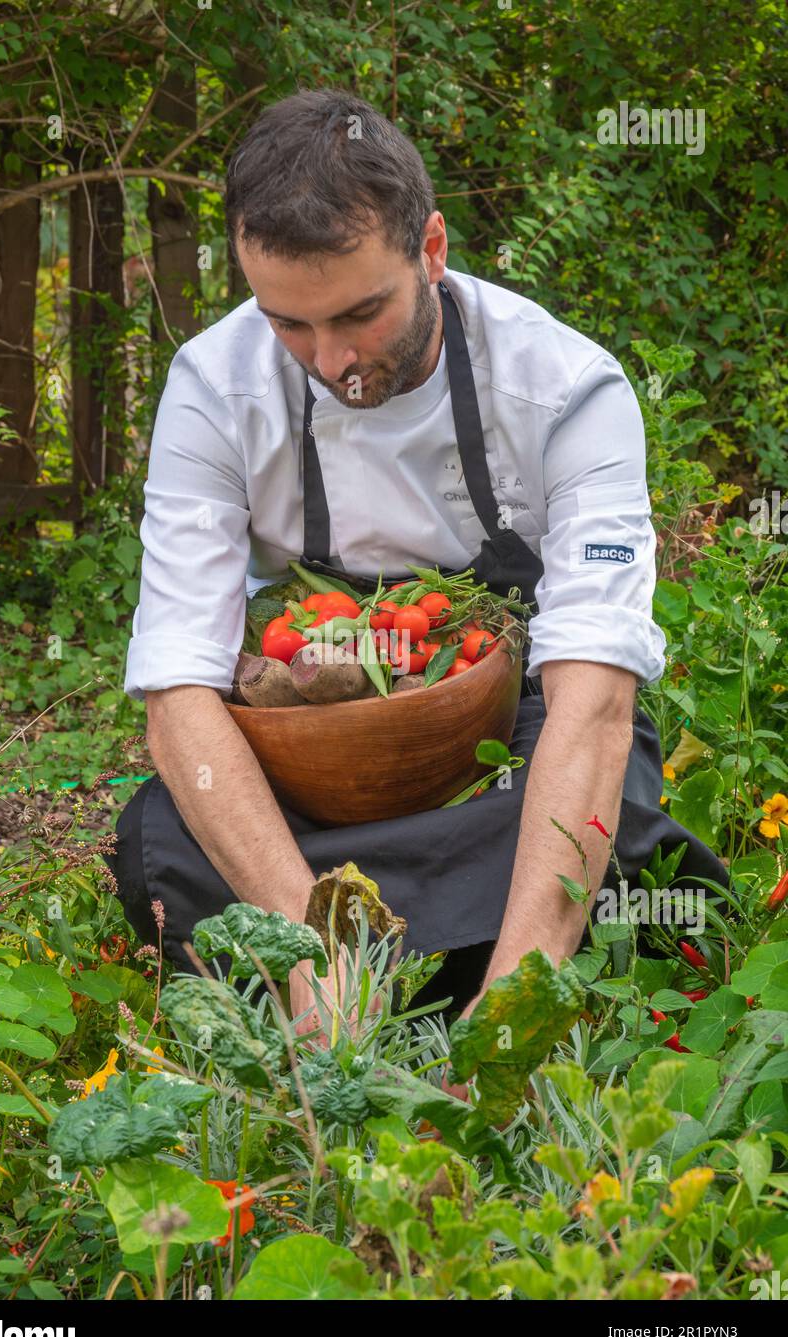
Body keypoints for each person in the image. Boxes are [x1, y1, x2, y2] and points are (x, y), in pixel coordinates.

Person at [107, 88, 728, 1030]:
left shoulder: (566, 390)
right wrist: (306, 948)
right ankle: (359, 972)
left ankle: (490, 969)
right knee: (161, 838)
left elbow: (593, 703)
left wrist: (520, 1005)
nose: (329, 360)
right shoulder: (211, 387)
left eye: (358, 314)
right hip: (316, 751)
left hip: (504, 726)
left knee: (605, 817)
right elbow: (180, 695)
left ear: (431, 250)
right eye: (288, 323)